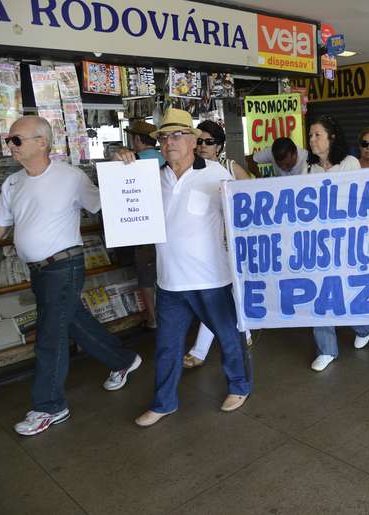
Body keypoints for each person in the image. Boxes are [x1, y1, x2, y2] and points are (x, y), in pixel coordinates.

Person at [0, 116, 141, 436]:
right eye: (9, 140)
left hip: (65, 265)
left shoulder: (71, 177)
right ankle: (123, 359)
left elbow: (107, 201)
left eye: (16, 140)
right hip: (37, 270)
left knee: (50, 336)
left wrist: (123, 167)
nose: (10, 145)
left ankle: (50, 406)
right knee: (74, 320)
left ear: (42, 142)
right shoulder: (12, 183)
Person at [115, 108, 251, 426]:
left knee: (230, 337)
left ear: (192, 140)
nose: (168, 142)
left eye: (176, 135)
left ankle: (240, 386)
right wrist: (122, 164)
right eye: (163, 137)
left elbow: (246, 212)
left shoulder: (216, 174)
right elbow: (124, 201)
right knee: (167, 347)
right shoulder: (149, 177)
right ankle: (163, 403)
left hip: (212, 279)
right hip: (170, 281)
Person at [182, 119, 253, 369]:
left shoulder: (230, 169)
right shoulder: (188, 169)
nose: (203, 146)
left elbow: (252, 201)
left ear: (219, 146)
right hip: (204, 247)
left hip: (229, 245)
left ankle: (200, 350)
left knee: (217, 297)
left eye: (209, 142)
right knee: (224, 296)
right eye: (199, 141)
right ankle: (245, 331)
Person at [305, 114, 369, 371]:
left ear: (331, 137)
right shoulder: (308, 169)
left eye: (317, 135)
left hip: (346, 241)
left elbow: (361, 201)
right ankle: (326, 348)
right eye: (310, 135)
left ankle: (364, 325)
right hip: (318, 243)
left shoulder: (349, 163)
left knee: (346, 290)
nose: (312, 140)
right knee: (320, 294)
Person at [120, 120, 164, 329]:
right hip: (167, 223)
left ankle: (154, 318)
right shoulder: (167, 158)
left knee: (147, 276)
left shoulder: (132, 162)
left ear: (137, 139)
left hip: (144, 226)